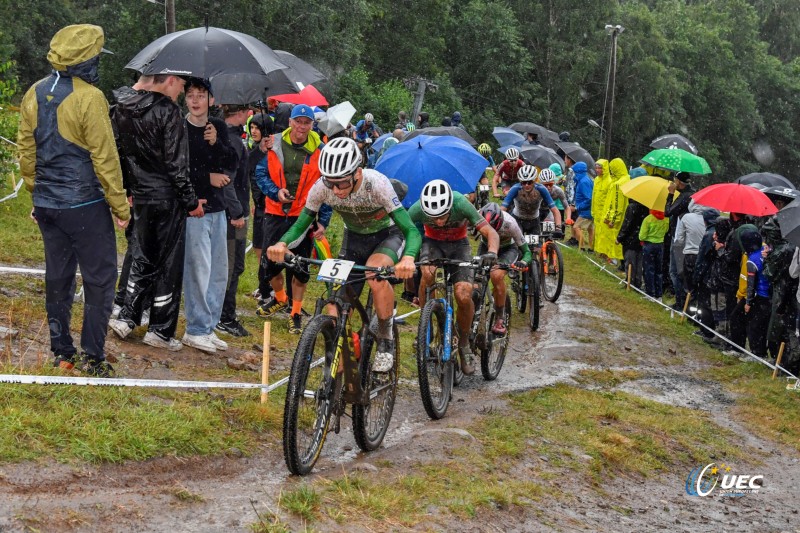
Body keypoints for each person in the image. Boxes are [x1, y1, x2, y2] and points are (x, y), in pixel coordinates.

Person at [18, 24, 128, 377]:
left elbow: (26, 152)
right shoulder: (90, 98)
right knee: (99, 279)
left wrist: (38, 195)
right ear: (87, 59)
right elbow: (105, 158)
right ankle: (92, 357)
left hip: (49, 205)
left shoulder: (34, 92)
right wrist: (120, 206)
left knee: (59, 276)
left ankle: (61, 352)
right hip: (84, 205)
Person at [267, 137, 419, 371]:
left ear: (357, 173)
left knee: (374, 273)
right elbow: (302, 225)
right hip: (354, 239)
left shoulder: (377, 184)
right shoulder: (321, 187)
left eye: (342, 183)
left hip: (387, 235)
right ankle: (339, 364)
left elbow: (410, 229)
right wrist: (282, 244)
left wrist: (408, 257)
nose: (336, 191)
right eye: (331, 184)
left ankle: (386, 339)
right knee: (334, 300)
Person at [408, 180, 500, 375]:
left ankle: (464, 343)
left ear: (451, 206)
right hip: (432, 243)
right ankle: (427, 326)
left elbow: (489, 231)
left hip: (460, 246)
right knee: (427, 272)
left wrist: (491, 252)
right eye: (434, 218)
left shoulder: (461, 203)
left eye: (443, 216)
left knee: (464, 294)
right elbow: (402, 231)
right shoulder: (417, 209)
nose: (440, 222)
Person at [255, 104, 332, 334]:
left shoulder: (320, 149)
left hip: (303, 215)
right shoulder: (273, 142)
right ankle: (280, 298)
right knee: (272, 263)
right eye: (297, 121)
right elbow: (260, 173)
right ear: (290, 122)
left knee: (300, 266)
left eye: (306, 122)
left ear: (312, 125)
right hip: (275, 211)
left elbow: (328, 186)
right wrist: (274, 192)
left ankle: (295, 312)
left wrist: (323, 220)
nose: (301, 126)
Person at [176, 78, 239, 353]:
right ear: (185, 99)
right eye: (190, 95)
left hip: (218, 208)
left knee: (218, 273)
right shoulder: (179, 127)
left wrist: (216, 144)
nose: (196, 100)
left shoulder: (219, 127)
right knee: (197, 270)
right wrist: (206, 179)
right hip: (195, 208)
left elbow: (231, 163)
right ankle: (196, 328)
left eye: (201, 95)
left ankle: (209, 327)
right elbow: (177, 168)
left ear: (211, 100)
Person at [217, 104, 253, 337]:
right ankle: (225, 316)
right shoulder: (232, 141)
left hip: (236, 209)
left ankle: (224, 313)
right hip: (232, 214)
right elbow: (226, 180)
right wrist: (236, 213)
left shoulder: (232, 138)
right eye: (247, 110)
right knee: (231, 266)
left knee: (236, 264)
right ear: (240, 113)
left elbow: (242, 171)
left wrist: (259, 149)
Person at [478, 203, 533, 334]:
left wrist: (524, 262)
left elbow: (527, 251)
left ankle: (499, 318)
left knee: (496, 276)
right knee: (475, 280)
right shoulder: (476, 215)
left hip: (507, 249)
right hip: (486, 247)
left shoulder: (511, 223)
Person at [502, 165, 563, 237]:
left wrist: (558, 228)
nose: (527, 185)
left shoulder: (541, 189)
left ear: (534, 181)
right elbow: (503, 208)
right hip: (518, 219)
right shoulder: (515, 188)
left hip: (534, 221)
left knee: (536, 248)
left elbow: (555, 210)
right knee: (518, 244)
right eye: (524, 182)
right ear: (520, 181)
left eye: (529, 182)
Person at [664, 172, 695, 310]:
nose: (673, 183)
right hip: (686, 237)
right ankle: (683, 300)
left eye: (675, 181)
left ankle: (680, 302)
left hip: (678, 237)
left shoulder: (684, 197)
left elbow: (668, 211)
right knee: (681, 271)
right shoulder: (692, 194)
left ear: (680, 183)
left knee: (675, 271)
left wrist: (670, 194)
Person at [247, 113, 275, 262]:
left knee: (269, 245)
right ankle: (264, 278)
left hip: (270, 205)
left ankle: (270, 280)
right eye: (251, 127)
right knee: (258, 244)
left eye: (257, 128)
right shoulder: (253, 149)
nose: (253, 131)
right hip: (258, 205)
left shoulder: (272, 151)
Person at [615, 169, 649, 289]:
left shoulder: (632, 206)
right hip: (642, 238)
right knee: (639, 261)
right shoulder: (647, 204)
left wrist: (620, 237)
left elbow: (627, 224)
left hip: (630, 239)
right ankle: (637, 281)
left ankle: (630, 281)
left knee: (630, 260)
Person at [601, 158, 630, 263]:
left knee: (616, 240)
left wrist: (613, 220)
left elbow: (617, 204)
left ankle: (615, 260)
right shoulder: (628, 179)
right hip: (626, 217)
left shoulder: (619, 184)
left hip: (618, 219)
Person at [639, 209, 670, 300]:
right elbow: (666, 231)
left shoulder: (648, 219)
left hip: (649, 245)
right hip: (660, 245)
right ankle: (658, 294)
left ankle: (650, 293)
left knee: (649, 269)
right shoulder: (666, 219)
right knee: (658, 270)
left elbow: (642, 236)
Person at [591, 159, 613, 257]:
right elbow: (594, 196)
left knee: (605, 234)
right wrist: (593, 210)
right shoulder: (596, 180)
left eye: (600, 168)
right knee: (598, 233)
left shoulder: (610, 181)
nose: (597, 170)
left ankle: (605, 254)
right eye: (596, 168)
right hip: (597, 212)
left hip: (604, 212)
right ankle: (599, 252)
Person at [571, 161, 594, 251]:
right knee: (590, 229)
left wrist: (577, 207)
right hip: (589, 210)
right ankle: (592, 248)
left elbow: (589, 198)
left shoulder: (583, 182)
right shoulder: (584, 179)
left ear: (578, 171)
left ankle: (582, 247)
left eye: (574, 171)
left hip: (586, 211)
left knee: (576, 227)